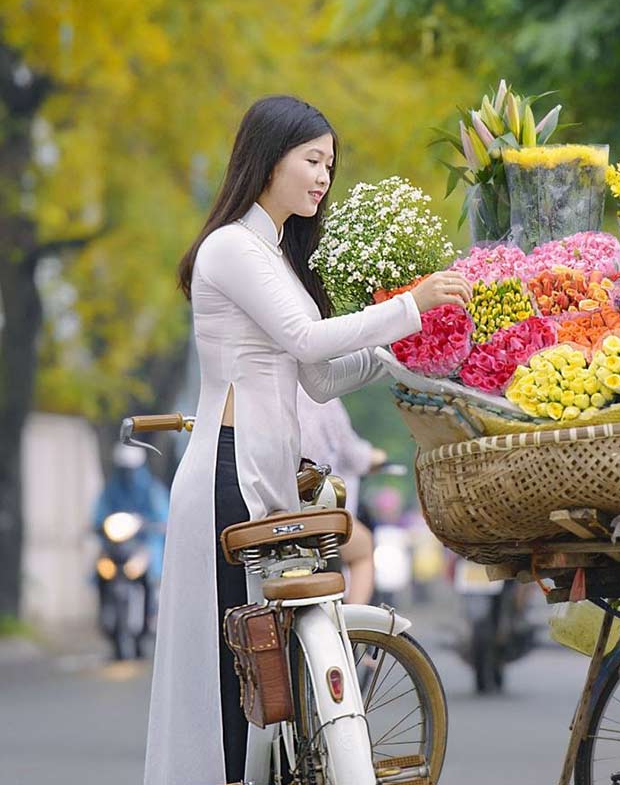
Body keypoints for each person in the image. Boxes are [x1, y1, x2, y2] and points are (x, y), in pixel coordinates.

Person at [144, 94, 471, 785]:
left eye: (330, 163)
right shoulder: (233, 245)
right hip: (226, 476)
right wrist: (411, 305)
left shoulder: (277, 255)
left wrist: (408, 350)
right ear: (268, 159)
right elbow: (305, 337)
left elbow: (318, 375)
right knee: (233, 672)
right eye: (312, 159)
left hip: (264, 473)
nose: (324, 176)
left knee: (265, 666)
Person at [296, 389, 387, 606]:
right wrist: (377, 457)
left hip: (264, 508)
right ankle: (354, 628)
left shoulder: (250, 387)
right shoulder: (318, 395)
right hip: (310, 511)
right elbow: (353, 455)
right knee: (363, 548)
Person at [93, 442, 170, 629]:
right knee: (100, 566)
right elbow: (100, 512)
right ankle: (103, 610)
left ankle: (151, 610)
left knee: (151, 565)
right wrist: (97, 525)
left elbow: (162, 514)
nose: (127, 474)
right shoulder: (111, 489)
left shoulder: (152, 489)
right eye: (124, 469)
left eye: (131, 469)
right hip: (118, 543)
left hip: (143, 542)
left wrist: (153, 524)